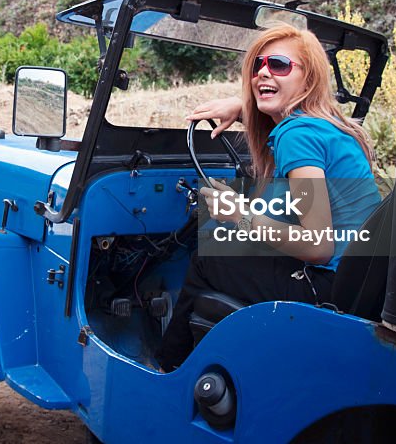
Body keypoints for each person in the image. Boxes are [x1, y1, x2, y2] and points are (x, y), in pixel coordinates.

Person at [155, 22, 381, 371]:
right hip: (361, 282)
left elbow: (317, 246)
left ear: (308, 79)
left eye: (279, 65)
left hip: (328, 286)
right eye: (257, 65)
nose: (263, 72)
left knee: (207, 258)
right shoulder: (324, 125)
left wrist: (238, 215)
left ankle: (168, 369)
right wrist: (241, 106)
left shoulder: (296, 136)